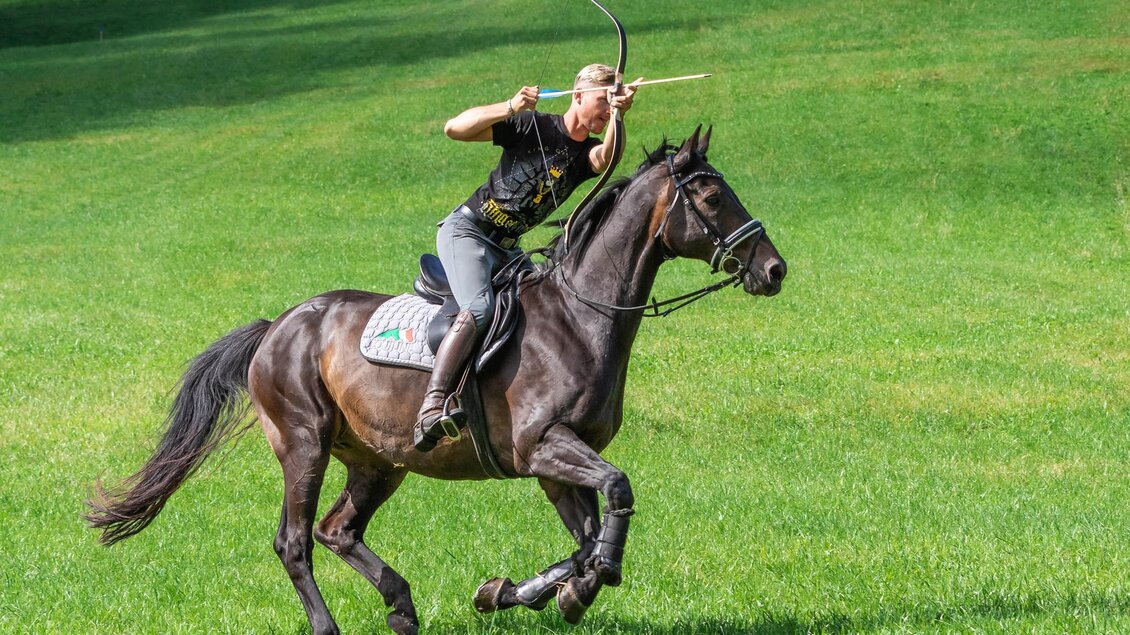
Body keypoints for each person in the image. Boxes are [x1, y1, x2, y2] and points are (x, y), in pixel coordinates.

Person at [414, 63, 639, 452]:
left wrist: (619, 115)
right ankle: (433, 404)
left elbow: (608, 159)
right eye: (602, 101)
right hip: (468, 232)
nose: (605, 111)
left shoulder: (586, 152)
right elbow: (455, 128)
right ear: (579, 95)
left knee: (542, 308)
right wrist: (510, 105)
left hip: (508, 248)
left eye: (610, 106)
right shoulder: (530, 124)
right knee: (481, 309)